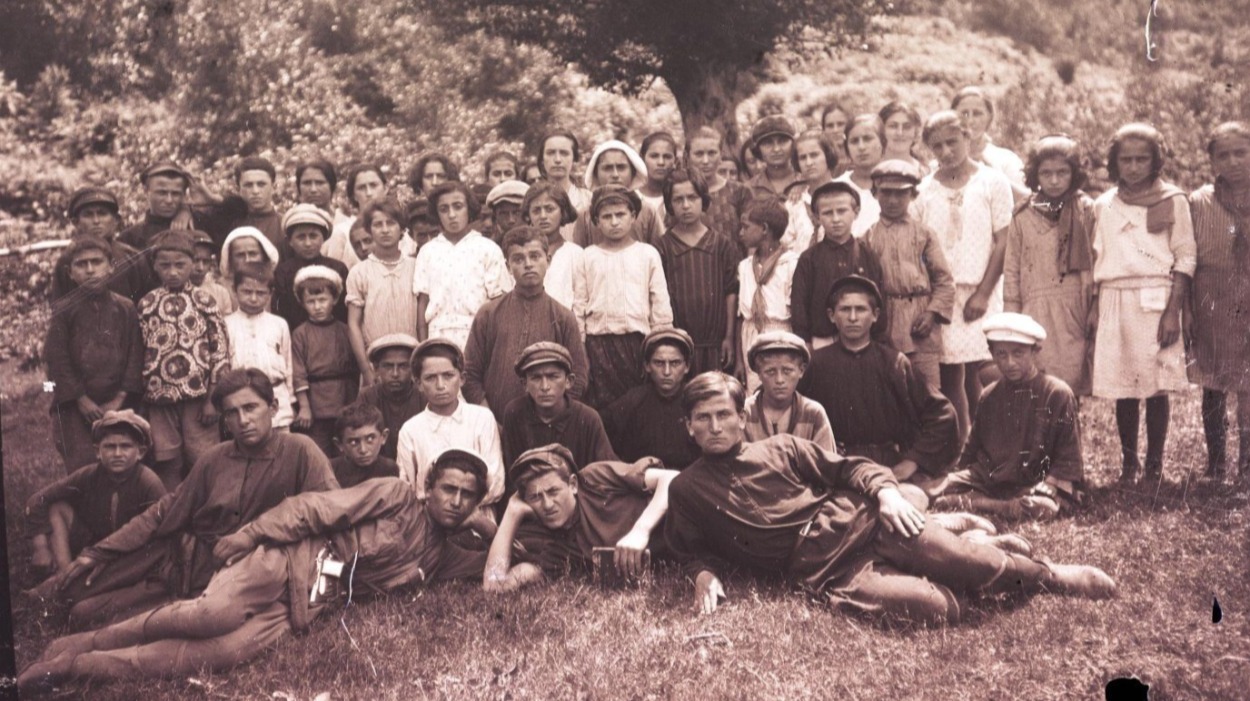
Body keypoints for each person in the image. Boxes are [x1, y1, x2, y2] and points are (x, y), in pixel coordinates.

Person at [662, 372, 1116, 626]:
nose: (715, 426)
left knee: (962, 563)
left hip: (866, 524)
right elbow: (690, 547)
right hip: (826, 567)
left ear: (742, 419)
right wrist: (702, 574)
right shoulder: (686, 489)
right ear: (688, 426)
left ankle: (1047, 575)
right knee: (939, 608)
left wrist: (887, 496)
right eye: (703, 418)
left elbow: (852, 469)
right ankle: (980, 548)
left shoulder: (782, 447)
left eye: (724, 414)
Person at [18, 450, 488, 694]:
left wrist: (500, 519)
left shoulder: (441, 556)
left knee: (222, 653)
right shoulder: (396, 494)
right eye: (449, 489)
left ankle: (77, 669)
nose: (456, 501)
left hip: (309, 602)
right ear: (429, 485)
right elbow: (313, 508)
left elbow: (502, 565)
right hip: (285, 556)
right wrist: (250, 535)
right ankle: (85, 643)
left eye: (468, 496)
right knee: (210, 617)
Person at [44, 368, 339, 630]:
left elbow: (328, 511)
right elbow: (164, 511)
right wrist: (100, 552)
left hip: (248, 577)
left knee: (95, 616)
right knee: (78, 603)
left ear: (273, 407)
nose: (243, 420)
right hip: (187, 566)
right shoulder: (215, 458)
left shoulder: (300, 450)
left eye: (251, 408)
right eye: (232, 413)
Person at [1090, 123, 1195, 483]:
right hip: (1115, 297)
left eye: (1142, 159)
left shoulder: (1173, 199)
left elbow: (1185, 257)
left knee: (1155, 384)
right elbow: (1095, 260)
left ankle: (1154, 465)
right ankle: (1128, 463)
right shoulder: (1104, 205)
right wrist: (1094, 307)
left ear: (1156, 161)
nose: (1133, 167)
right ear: (1114, 163)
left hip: (1156, 296)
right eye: (1126, 160)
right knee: (1125, 385)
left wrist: (1173, 311)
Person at [799, 276, 959, 491]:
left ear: (875, 315)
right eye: (845, 310)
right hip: (835, 464)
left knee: (907, 500)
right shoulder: (816, 363)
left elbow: (942, 414)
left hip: (887, 465)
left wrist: (912, 461)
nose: (853, 317)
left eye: (861, 309)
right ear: (831, 316)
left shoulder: (894, 363)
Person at [913, 110, 1015, 441]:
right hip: (940, 293)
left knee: (982, 368)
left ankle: (995, 441)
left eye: (952, 142)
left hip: (981, 288)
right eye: (937, 146)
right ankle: (960, 447)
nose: (946, 152)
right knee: (950, 371)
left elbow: (1004, 240)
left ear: (967, 138)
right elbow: (920, 243)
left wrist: (983, 293)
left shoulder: (992, 181)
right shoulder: (925, 190)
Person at [933, 313, 1083, 521]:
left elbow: (1068, 456)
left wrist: (1052, 482)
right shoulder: (989, 395)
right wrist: (955, 479)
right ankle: (1000, 504)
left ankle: (980, 503)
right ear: (991, 354)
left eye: (1018, 353)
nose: (1010, 363)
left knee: (1044, 507)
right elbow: (972, 450)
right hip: (992, 479)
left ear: (1035, 352)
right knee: (937, 487)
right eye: (1001, 354)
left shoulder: (1057, 393)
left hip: (1037, 483)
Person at [484, 444, 677, 592]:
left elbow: (672, 479)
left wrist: (640, 531)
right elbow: (494, 585)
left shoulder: (594, 479)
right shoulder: (553, 547)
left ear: (573, 484)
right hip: (679, 561)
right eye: (535, 497)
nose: (548, 505)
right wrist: (512, 511)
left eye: (554, 491)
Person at [463, 226, 589, 421]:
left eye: (535, 256)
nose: (528, 264)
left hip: (548, 424)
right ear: (507, 266)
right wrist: (488, 420)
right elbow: (470, 373)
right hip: (496, 423)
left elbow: (578, 374)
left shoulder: (563, 317)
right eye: (518, 259)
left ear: (548, 260)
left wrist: (555, 417)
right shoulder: (488, 314)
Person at [25, 411, 165, 583]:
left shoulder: (148, 482)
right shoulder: (88, 475)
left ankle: (77, 583)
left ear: (140, 453)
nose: (117, 453)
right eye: (109, 447)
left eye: (126, 446)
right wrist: (40, 547)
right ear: (97, 452)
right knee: (57, 508)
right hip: (91, 544)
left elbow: (160, 528)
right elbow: (39, 499)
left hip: (130, 551)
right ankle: (65, 575)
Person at [45, 237, 146, 473]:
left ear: (111, 266)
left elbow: (135, 354)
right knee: (83, 464)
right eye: (81, 264)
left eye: (96, 262)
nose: (90, 269)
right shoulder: (63, 310)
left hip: (119, 399)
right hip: (76, 402)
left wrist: (120, 398)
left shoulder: (126, 308)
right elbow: (57, 359)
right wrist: (81, 399)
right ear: (70, 272)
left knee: (122, 459)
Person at [138, 230, 230, 489]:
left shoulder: (204, 300)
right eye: (165, 266)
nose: (173, 272)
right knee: (168, 459)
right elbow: (141, 350)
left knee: (204, 457)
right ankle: (174, 510)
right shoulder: (147, 304)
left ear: (192, 264)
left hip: (198, 398)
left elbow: (220, 350)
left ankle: (208, 509)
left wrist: (213, 398)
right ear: (155, 266)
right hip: (160, 398)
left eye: (180, 265)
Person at [1003, 136, 1095, 395]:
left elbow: (1097, 261)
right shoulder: (1023, 214)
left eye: (1062, 172)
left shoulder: (1085, 208)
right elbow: (1011, 269)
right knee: (1039, 381)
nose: (1054, 180)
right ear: (1035, 175)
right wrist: (1012, 315)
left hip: (1075, 306)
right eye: (1046, 173)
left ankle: (1070, 434)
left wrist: (1094, 307)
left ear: (1074, 173)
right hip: (1036, 309)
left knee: (1071, 379)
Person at [573, 186, 674, 408]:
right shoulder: (587, 257)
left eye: (620, 215)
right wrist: (582, 350)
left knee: (639, 405)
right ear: (596, 221)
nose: (614, 222)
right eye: (607, 216)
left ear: (633, 217)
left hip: (638, 344)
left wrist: (660, 342)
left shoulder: (647, 254)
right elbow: (579, 306)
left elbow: (660, 304)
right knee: (605, 407)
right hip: (599, 345)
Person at [1188, 121, 1250, 482]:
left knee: (1248, 385)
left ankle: (1247, 465)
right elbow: (1187, 257)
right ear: (1211, 160)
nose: (1233, 161)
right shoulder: (1199, 201)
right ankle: (1216, 464)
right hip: (1212, 295)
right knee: (1213, 383)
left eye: (1241, 152)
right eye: (1223, 154)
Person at [863, 159, 956, 393]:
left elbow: (944, 281)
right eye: (886, 193)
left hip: (920, 324)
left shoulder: (924, 234)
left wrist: (932, 313)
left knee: (929, 393)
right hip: (885, 324)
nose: (893, 200)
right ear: (875, 193)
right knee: (889, 394)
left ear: (913, 195)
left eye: (901, 194)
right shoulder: (867, 238)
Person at [397, 338, 505, 513]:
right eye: (430, 378)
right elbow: (406, 486)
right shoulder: (411, 430)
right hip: (428, 520)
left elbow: (496, 482)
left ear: (461, 379)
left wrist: (462, 508)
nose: (440, 385)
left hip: (477, 515)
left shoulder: (482, 418)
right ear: (418, 384)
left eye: (448, 376)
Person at [657, 169, 740, 375]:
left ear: (703, 200)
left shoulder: (721, 245)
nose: (686, 205)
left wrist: (729, 337)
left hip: (715, 344)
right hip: (678, 345)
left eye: (692, 197)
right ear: (669, 205)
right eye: (678, 199)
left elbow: (731, 292)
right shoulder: (662, 247)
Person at [413, 181, 512, 349]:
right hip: (438, 337)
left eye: (458, 207)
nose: (452, 214)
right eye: (444, 209)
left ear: (469, 209)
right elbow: (423, 303)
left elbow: (500, 303)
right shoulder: (428, 251)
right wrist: (424, 346)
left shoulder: (487, 248)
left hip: (479, 336)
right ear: (437, 214)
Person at [790, 181, 886, 350]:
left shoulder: (868, 256)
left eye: (841, 211)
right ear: (817, 218)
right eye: (827, 213)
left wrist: (877, 338)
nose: (835, 219)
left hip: (863, 340)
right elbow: (799, 304)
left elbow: (880, 299)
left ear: (855, 213)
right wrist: (804, 341)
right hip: (822, 341)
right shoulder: (809, 259)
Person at [501, 342, 616, 477]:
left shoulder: (588, 418)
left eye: (553, 376)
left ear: (569, 381)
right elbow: (512, 473)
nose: (545, 386)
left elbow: (605, 473)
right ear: (524, 384)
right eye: (536, 378)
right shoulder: (514, 413)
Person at [601, 328, 701, 470]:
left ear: (687, 366)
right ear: (647, 366)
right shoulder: (633, 401)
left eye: (675, 363)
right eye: (659, 363)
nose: (667, 372)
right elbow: (600, 430)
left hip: (689, 481)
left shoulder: (697, 400)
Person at [345, 198, 420, 384]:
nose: (385, 230)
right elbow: (353, 324)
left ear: (402, 229)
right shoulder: (359, 272)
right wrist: (366, 369)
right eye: (378, 224)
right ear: (369, 230)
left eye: (391, 223)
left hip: (411, 359)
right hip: (376, 363)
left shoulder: (417, 267)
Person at [290, 265, 359, 455]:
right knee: (319, 453)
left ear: (334, 299)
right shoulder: (300, 334)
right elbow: (298, 373)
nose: (318, 306)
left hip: (345, 400)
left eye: (322, 300)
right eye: (311, 301)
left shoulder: (345, 331)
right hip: (316, 406)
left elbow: (356, 368)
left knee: (346, 450)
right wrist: (304, 407)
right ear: (302, 303)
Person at [735, 196, 799, 392]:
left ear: (764, 229)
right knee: (754, 395)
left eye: (746, 227)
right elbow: (742, 318)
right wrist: (740, 360)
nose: (740, 233)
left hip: (780, 336)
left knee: (779, 390)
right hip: (751, 336)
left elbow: (797, 315)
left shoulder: (791, 264)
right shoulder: (745, 266)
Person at [50, 187, 155, 306]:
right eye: (88, 215)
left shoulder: (132, 257)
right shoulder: (67, 260)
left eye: (102, 213)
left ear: (116, 220)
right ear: (75, 222)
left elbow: (147, 306)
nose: (96, 221)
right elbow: (59, 309)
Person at [224, 263, 296, 431]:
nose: (254, 298)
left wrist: (291, 399)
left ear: (270, 294)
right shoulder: (226, 324)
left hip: (277, 397)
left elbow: (288, 363)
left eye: (261, 293)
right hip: (241, 400)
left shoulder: (279, 324)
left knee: (280, 446)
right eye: (247, 292)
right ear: (235, 290)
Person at [742, 332, 834, 450]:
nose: (779, 380)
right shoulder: (746, 412)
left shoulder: (813, 414)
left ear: (801, 371)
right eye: (770, 371)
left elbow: (825, 464)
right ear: (759, 373)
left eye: (787, 371)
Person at [570, 140, 666, 247]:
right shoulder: (585, 215)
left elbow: (661, 254)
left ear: (633, 172)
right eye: (607, 168)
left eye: (621, 167)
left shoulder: (648, 212)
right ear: (596, 173)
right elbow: (578, 258)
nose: (615, 175)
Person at [272, 204, 350, 329]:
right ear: (290, 242)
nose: (308, 243)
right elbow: (282, 313)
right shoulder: (283, 271)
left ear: (323, 238)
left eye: (313, 236)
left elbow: (344, 312)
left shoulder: (338, 268)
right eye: (301, 237)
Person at [951, 87, 1029, 202]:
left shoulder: (1006, 159)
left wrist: (996, 175)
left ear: (989, 117)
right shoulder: (942, 160)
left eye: (977, 114)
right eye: (964, 113)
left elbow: (1026, 202)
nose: (971, 120)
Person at [322, 163, 405, 269]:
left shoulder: (400, 227)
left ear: (386, 188)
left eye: (373, 185)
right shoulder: (342, 232)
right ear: (354, 195)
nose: (369, 193)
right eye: (361, 188)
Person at [355, 334, 425, 461]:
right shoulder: (367, 396)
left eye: (403, 366)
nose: (395, 374)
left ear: (413, 369)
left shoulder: (424, 396)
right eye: (388, 366)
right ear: (376, 369)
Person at [685, 125, 754, 245]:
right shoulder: (680, 191)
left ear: (721, 155)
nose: (706, 161)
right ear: (688, 157)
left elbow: (753, 235)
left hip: (734, 262)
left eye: (712, 153)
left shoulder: (739, 191)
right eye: (699, 154)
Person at [522, 180, 582, 309]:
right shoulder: (520, 254)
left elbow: (580, 301)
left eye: (550, 209)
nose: (543, 216)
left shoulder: (575, 254)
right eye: (536, 210)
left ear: (563, 212)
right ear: (528, 215)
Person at [119, 161, 195, 253]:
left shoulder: (194, 224)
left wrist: (187, 209)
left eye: (175, 194)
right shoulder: (130, 237)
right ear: (146, 191)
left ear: (183, 195)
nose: (169, 200)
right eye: (162, 193)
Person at [834, 114, 886, 238]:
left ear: (882, 143)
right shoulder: (836, 188)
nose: (861, 147)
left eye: (867, 139)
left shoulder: (898, 185)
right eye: (854, 141)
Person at [536, 129, 592, 238]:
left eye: (564, 153)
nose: (557, 159)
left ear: (574, 158)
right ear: (542, 158)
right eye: (551, 153)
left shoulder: (588, 199)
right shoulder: (531, 200)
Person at [329, 402, 399, 488]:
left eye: (370, 439)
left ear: (383, 437)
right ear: (339, 444)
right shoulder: (330, 470)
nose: (363, 450)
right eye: (353, 442)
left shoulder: (389, 469)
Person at [745, 115, 802, 201]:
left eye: (782, 141)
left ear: (793, 144)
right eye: (768, 143)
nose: (776, 149)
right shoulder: (748, 189)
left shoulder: (806, 181)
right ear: (758, 149)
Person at [637, 131, 680, 222]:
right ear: (642, 158)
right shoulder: (633, 196)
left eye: (667, 157)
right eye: (654, 156)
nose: (661, 162)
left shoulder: (681, 196)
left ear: (675, 162)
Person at [189, 230, 234, 315]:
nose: (200, 268)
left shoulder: (221, 292)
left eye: (205, 262)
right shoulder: (174, 291)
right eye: (195, 260)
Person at [878, 101, 927, 175]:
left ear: (915, 132)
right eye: (893, 126)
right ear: (880, 130)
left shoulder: (925, 173)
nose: (899, 133)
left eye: (907, 127)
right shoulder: (867, 170)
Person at [484, 180, 529, 246]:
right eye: (503, 214)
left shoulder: (542, 243)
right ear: (496, 216)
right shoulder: (490, 247)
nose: (511, 220)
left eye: (517, 213)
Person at [820, 101, 852, 176]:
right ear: (823, 129)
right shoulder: (821, 160)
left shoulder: (858, 157)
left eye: (840, 124)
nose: (835, 130)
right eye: (830, 126)